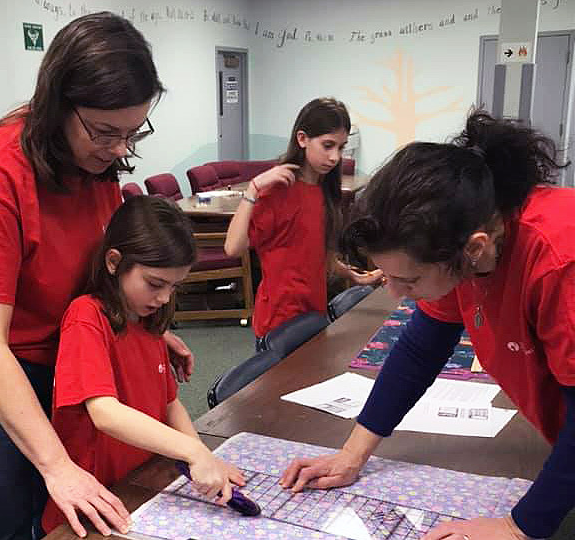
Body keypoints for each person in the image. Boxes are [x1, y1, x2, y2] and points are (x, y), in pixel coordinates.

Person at [0, 13, 195, 540]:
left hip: (58, 344)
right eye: (106, 132)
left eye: (133, 133)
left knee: (69, 512)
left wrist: (139, 327)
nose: (119, 151)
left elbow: (98, 268)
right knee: (8, 515)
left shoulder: (91, 162)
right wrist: (57, 465)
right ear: (57, 104)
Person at [280, 110, 575, 540]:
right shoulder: (465, 232)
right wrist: (351, 455)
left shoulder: (558, 260)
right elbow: (422, 348)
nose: (397, 294)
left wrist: (519, 527)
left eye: (409, 280)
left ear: (474, 248)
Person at [42, 195, 245, 532]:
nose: (164, 297)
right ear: (113, 262)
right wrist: (192, 451)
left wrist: (201, 456)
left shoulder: (150, 320)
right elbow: (105, 413)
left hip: (138, 489)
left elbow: (170, 403)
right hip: (92, 507)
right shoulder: (86, 317)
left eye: (174, 286)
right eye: (155, 284)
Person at [224, 98, 382, 350]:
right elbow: (233, 248)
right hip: (279, 320)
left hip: (313, 313)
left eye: (341, 148)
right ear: (302, 139)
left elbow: (317, 254)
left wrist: (354, 275)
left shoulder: (325, 191)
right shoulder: (277, 190)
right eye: (327, 145)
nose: (334, 157)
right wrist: (253, 189)